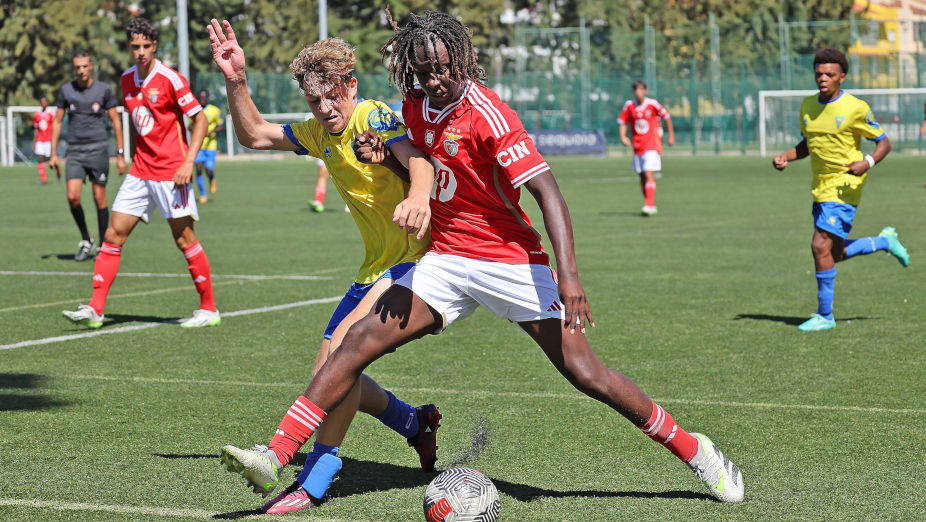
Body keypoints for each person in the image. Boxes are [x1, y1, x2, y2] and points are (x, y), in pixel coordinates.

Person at [214, 10, 745, 505]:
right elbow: (424, 169)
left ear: (460, 59)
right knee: (356, 341)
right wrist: (392, 167)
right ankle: (276, 454)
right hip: (446, 259)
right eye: (423, 71)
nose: (435, 80)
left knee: (587, 374)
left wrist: (570, 277)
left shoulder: (488, 113)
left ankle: (695, 451)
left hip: (510, 260)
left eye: (442, 68)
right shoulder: (414, 109)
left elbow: (548, 194)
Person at [208, 21, 441, 513]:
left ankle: (312, 478)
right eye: (316, 102)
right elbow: (253, 134)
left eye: (333, 97)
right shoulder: (318, 133)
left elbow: (418, 160)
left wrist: (419, 196)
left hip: (420, 262)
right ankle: (415, 423)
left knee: (338, 362)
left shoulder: (373, 116)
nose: (326, 109)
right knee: (337, 371)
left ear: (351, 86)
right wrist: (236, 80)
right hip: (374, 269)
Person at [62, 18, 218, 329]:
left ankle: (208, 309)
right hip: (140, 172)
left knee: (184, 238)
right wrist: (130, 157)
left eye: (147, 46)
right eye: (136, 46)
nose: (141, 52)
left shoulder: (171, 79)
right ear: (129, 47)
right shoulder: (126, 80)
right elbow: (137, 122)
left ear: (155, 46)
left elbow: (199, 120)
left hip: (172, 173)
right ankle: (95, 309)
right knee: (112, 235)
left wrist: (188, 162)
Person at [773, 48, 909, 332]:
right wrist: (786, 156)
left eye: (829, 74)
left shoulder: (855, 107)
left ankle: (825, 316)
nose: (823, 78)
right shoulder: (808, 106)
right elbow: (807, 145)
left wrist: (867, 162)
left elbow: (884, 143)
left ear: (842, 77)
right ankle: (885, 242)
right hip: (821, 186)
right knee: (832, 254)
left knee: (819, 245)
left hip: (846, 184)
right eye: (819, 73)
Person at [49, 49, 127, 261]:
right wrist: (53, 153)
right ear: (74, 68)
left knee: (99, 198)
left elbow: (116, 121)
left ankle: (103, 245)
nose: (81, 71)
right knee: (72, 197)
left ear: (91, 66)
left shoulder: (103, 90)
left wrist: (120, 154)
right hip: (74, 151)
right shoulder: (66, 90)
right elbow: (57, 121)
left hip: (98, 149)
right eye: (78, 67)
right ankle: (86, 239)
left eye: (85, 66)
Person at [618, 80, 674, 216]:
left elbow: (667, 117)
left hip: (652, 145)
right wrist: (623, 137)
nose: (638, 92)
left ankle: (648, 204)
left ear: (645, 91)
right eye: (636, 90)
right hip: (637, 146)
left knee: (649, 173)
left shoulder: (652, 104)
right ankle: (650, 204)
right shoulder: (629, 105)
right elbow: (622, 121)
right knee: (642, 176)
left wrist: (671, 135)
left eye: (641, 89)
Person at [189, 89, 225, 203]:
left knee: (208, 170)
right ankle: (203, 195)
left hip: (210, 146)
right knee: (199, 168)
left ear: (208, 98)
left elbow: (221, 125)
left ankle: (211, 178)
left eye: (204, 97)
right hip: (198, 145)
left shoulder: (214, 110)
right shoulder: (194, 111)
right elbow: (189, 126)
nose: (202, 99)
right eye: (200, 97)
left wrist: (212, 132)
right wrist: (197, 130)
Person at [33, 96, 56, 184]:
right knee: (40, 158)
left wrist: (54, 138)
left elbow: (55, 126)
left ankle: (58, 172)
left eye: (44, 102)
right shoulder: (37, 115)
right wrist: (34, 141)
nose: (43, 104)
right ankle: (43, 179)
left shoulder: (51, 114)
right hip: (40, 139)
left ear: (47, 103)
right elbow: (35, 129)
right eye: (41, 102)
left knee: (53, 158)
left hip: (49, 139)